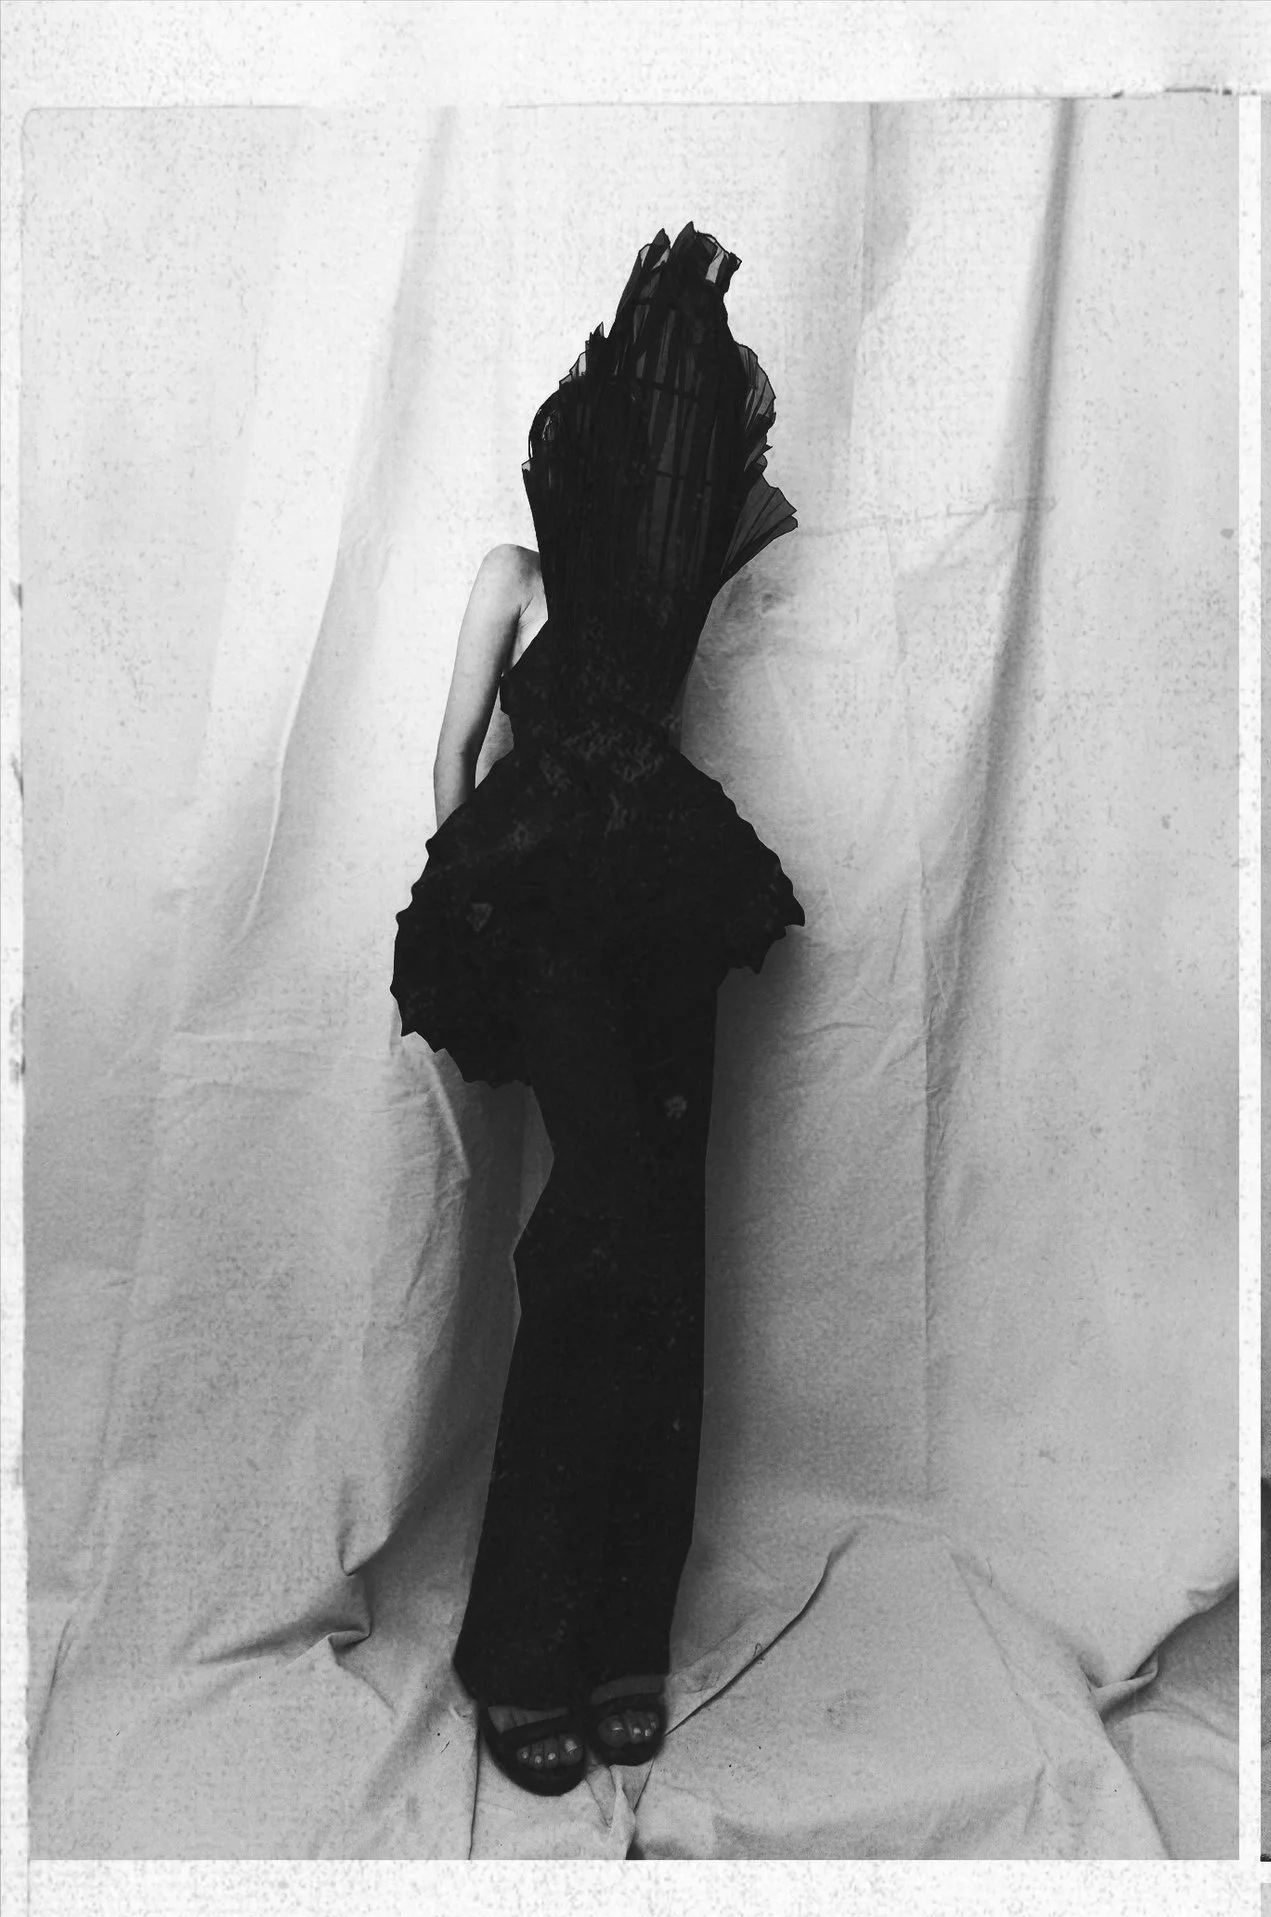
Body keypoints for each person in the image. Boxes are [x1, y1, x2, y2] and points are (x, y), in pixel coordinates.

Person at [394, 225, 805, 1798]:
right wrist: (469, 904)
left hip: (666, 915)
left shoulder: (674, 570)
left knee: (665, 1253)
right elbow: (451, 755)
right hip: (548, 919)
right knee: (602, 1239)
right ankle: (521, 1649)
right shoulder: (513, 575)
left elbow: (748, 518)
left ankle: (623, 1630)